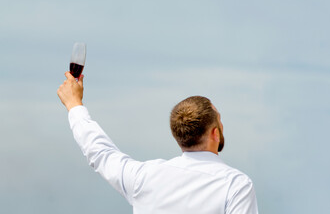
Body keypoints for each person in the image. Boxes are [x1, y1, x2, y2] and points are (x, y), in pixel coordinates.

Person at [57, 72, 259, 214]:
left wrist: (74, 105)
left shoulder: (144, 178)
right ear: (215, 133)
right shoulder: (236, 185)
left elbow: (100, 153)